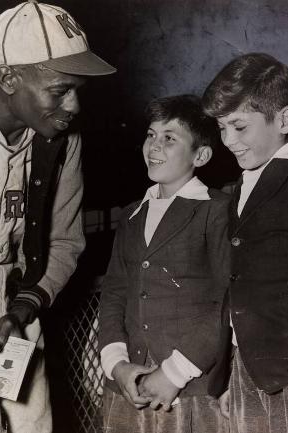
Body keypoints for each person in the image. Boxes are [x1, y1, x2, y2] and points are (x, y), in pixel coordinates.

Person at [0, 1, 116, 432]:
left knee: (34, 424)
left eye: (78, 90)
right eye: (59, 90)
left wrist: (24, 306)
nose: (73, 105)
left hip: (17, 295)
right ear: (10, 77)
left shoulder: (58, 136)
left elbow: (65, 241)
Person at [98, 94, 230, 433]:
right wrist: (117, 366)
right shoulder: (131, 215)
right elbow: (114, 292)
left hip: (188, 387)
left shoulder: (216, 210)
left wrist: (173, 373)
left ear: (200, 155)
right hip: (130, 386)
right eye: (151, 134)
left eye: (169, 138)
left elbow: (226, 302)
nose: (154, 145)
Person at [202, 52, 288, 433]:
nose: (228, 141)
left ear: (284, 119)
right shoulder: (244, 185)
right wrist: (229, 371)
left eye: (239, 127)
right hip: (249, 368)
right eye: (221, 128)